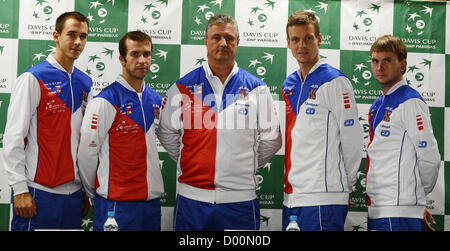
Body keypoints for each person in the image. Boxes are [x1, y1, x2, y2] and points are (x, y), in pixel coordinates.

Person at [157, 14, 282, 231]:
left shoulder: (257, 89)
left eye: (229, 38)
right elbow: (166, 132)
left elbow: (273, 139)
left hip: (240, 202)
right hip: (191, 200)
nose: (223, 43)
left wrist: (247, 165)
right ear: (205, 40)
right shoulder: (182, 87)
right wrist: (191, 159)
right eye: (216, 37)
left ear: (238, 42)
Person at [3, 11, 91, 231]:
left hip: (73, 195)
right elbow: (14, 138)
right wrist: (20, 189)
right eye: (71, 34)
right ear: (56, 35)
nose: (78, 41)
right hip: (37, 193)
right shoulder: (33, 78)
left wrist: (83, 190)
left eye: (83, 36)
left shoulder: (85, 82)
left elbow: (82, 141)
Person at [282, 10, 363, 231]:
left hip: (324, 198)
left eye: (308, 38)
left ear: (319, 39)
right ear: (288, 43)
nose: (302, 45)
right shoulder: (289, 83)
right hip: (293, 196)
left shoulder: (335, 81)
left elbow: (353, 141)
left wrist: (346, 186)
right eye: (295, 39)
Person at [77, 30, 164, 231]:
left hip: (151, 205)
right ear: (122, 59)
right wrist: (96, 192)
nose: (142, 60)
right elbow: (86, 155)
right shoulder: (104, 101)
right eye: (135, 54)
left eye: (147, 54)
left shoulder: (157, 100)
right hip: (116, 205)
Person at [366, 35, 440, 231]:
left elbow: (429, 158)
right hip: (380, 208)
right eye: (375, 61)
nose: (379, 67)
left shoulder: (411, 102)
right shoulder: (377, 105)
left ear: (403, 64)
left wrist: (412, 199)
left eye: (387, 60)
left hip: (397, 210)